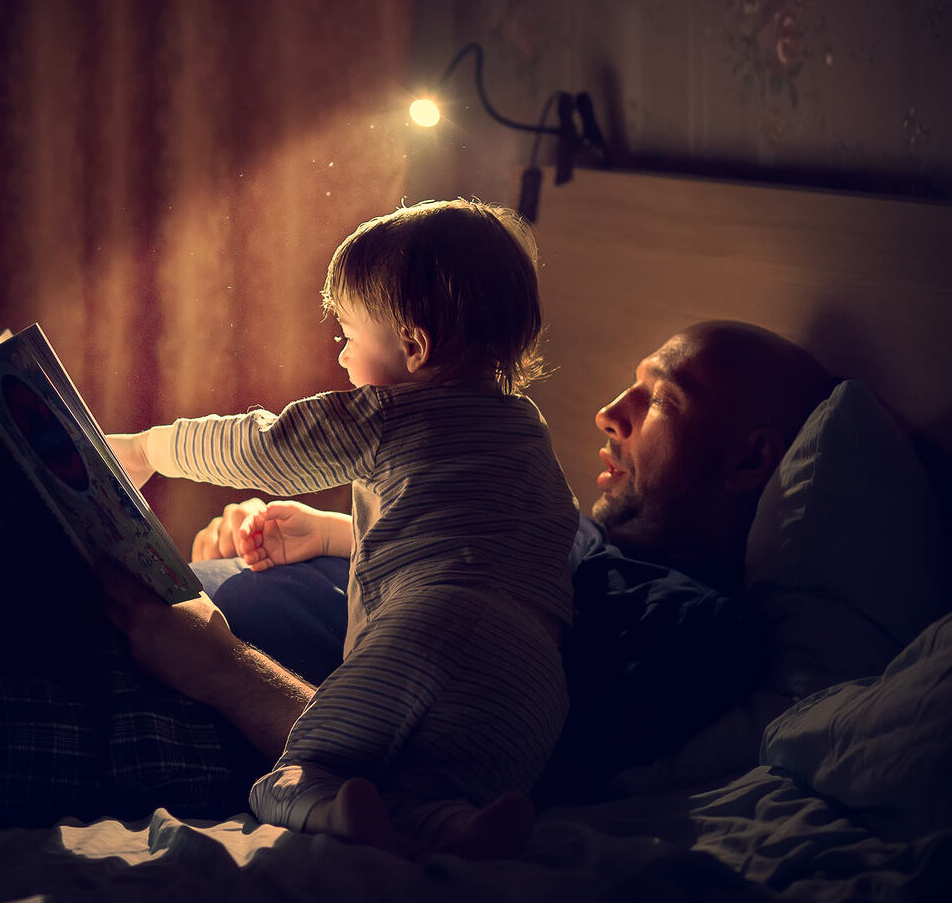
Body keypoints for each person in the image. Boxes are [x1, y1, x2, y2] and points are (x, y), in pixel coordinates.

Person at [189, 318, 837, 801]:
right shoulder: (550, 527)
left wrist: (218, 663)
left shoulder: (688, 627)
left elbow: (446, 773)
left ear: (752, 461)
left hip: (194, 708)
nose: (609, 414)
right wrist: (308, 540)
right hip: (179, 625)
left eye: (662, 399)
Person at [105, 199, 577, 856]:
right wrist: (331, 533)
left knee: (296, 773)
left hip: (428, 627)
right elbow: (477, 537)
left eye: (348, 335)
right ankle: (458, 828)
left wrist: (143, 449)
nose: (342, 356)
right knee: (431, 793)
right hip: (530, 676)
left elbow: (261, 448)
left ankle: (326, 804)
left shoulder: (391, 413)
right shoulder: (529, 432)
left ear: (413, 345)